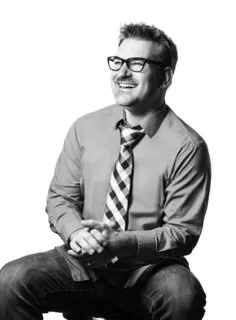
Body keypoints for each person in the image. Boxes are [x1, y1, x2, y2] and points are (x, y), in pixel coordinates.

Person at [0, 22, 211, 320]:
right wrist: (76, 234)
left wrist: (121, 243)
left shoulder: (187, 147)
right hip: (83, 263)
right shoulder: (85, 128)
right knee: (11, 281)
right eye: (117, 61)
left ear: (165, 76)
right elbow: (60, 198)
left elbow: (181, 233)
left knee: (182, 295)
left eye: (137, 63)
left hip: (148, 270)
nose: (122, 72)